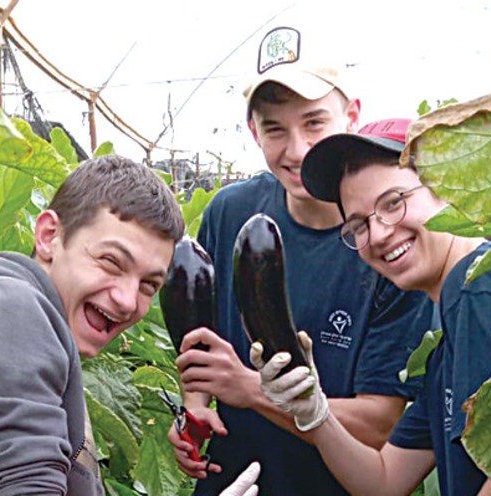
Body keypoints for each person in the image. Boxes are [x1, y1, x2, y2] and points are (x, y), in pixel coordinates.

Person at [249, 118, 491, 495]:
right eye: (359, 225)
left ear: (446, 189)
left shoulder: (483, 287)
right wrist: (314, 414)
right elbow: (385, 480)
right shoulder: (447, 347)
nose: (378, 234)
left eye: (393, 203)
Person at [0, 155, 259, 496]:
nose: (128, 300)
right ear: (49, 237)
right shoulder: (11, 309)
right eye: (111, 261)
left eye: (149, 285)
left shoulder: (17, 313)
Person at [168, 27, 435, 496]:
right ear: (254, 131)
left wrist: (250, 389)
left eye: (314, 123)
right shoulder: (229, 212)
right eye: (274, 128)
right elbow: (201, 340)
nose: (296, 150)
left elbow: (379, 425)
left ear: (351, 116)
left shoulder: (390, 246)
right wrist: (196, 407)